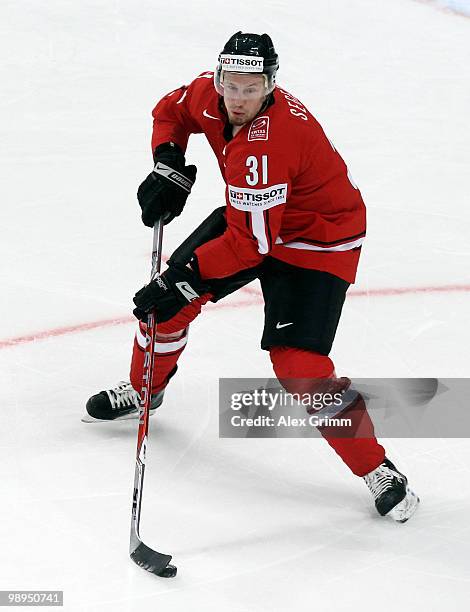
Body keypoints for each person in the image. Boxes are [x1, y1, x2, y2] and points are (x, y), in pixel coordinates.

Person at [85, 32, 419, 522]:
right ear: (219, 77)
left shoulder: (270, 142)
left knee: (299, 366)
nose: (238, 98)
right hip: (254, 217)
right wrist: (168, 162)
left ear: (271, 86)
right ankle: (145, 388)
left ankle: (378, 469)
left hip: (318, 241)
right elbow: (170, 111)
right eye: (231, 84)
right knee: (168, 307)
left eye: (251, 87)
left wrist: (182, 276)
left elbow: (249, 248)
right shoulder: (209, 94)